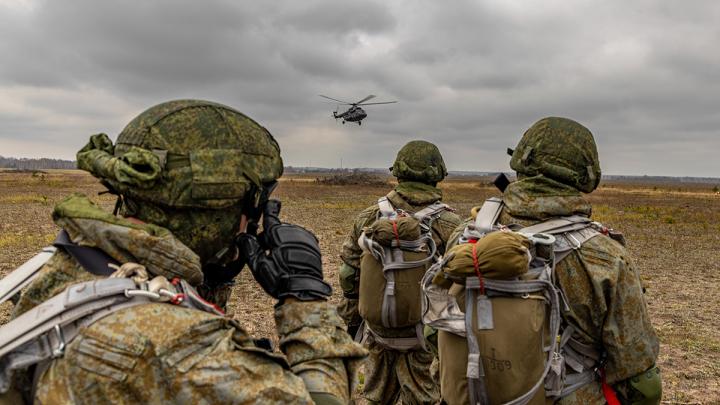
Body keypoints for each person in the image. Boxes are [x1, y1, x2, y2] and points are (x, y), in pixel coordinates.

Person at [0, 99, 367, 404]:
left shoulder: (61, 269)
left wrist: (216, 273)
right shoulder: (185, 351)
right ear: (218, 212)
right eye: (253, 207)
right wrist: (304, 297)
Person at [437, 117, 661, 404]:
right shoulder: (606, 256)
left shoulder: (466, 235)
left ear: (521, 160)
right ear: (587, 175)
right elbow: (640, 377)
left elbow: (437, 325)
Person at [337, 140, 462, 404]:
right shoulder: (452, 225)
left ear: (397, 171)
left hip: (378, 332)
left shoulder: (370, 217)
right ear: (438, 173)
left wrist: (352, 321)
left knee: (373, 397)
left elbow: (349, 275)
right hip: (423, 338)